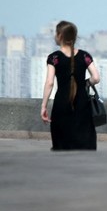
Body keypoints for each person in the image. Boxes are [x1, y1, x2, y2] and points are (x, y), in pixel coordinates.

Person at [40, 20, 101, 151]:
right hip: (82, 103)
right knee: (84, 143)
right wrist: (86, 83)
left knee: (62, 145)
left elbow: (49, 83)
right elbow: (96, 78)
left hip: (61, 103)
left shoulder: (54, 57)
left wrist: (43, 106)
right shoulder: (85, 56)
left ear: (60, 36)